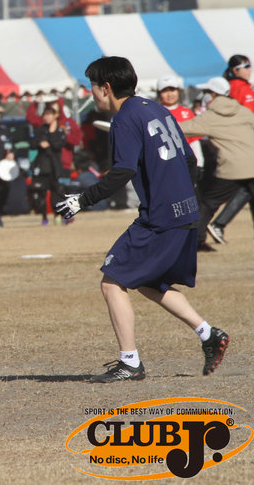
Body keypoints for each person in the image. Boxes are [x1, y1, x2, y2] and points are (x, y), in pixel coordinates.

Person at [55, 56, 229, 383]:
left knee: (112, 282)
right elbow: (190, 160)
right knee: (150, 282)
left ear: (106, 88)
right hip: (184, 212)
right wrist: (181, 196)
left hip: (161, 217)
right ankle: (209, 334)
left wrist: (82, 199)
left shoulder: (124, 118)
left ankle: (130, 363)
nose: (91, 93)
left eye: (93, 87)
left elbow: (122, 171)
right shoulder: (157, 109)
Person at [178, 76, 254, 253]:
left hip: (232, 167)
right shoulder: (243, 111)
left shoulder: (209, 117)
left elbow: (181, 129)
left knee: (209, 202)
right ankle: (215, 228)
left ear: (211, 94)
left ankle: (197, 240)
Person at [206, 55, 254, 244]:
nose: (249, 69)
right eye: (246, 66)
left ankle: (219, 224)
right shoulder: (242, 89)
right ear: (235, 70)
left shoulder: (231, 88)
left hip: (233, 145)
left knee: (248, 187)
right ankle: (219, 223)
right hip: (245, 144)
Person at [25, 93, 82, 174]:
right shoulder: (44, 122)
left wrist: (61, 136)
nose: (52, 107)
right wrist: (36, 101)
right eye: (49, 104)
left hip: (64, 164)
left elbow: (77, 139)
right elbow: (30, 117)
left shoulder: (68, 122)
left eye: (54, 104)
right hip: (46, 165)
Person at [29, 105, 67, 225]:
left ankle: (58, 216)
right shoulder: (39, 130)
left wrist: (51, 135)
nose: (46, 117)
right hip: (41, 166)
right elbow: (32, 143)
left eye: (49, 114)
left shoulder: (60, 130)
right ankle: (44, 217)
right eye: (45, 115)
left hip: (54, 167)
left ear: (55, 116)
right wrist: (39, 143)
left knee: (56, 192)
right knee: (41, 192)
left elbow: (59, 144)